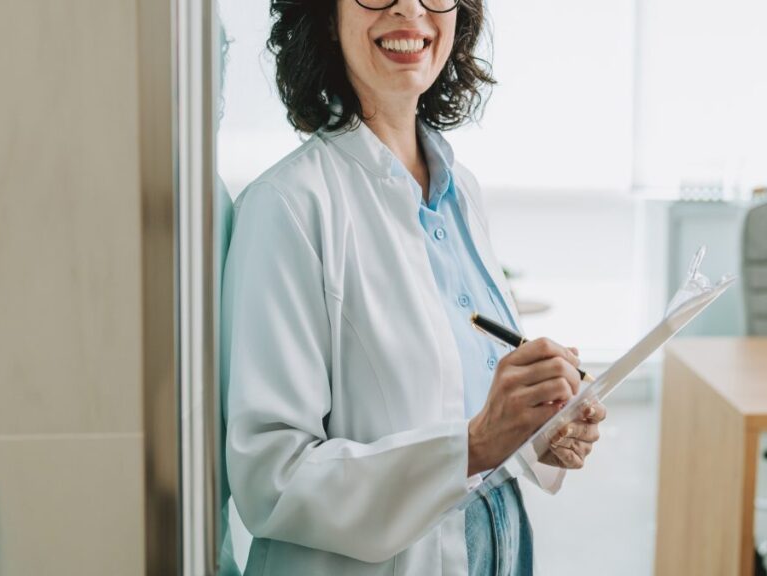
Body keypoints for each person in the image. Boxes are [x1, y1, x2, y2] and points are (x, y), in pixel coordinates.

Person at [221, 0, 606, 574]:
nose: (410, 8)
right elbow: (270, 479)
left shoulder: (460, 190)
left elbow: (458, 401)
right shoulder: (288, 206)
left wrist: (538, 426)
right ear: (326, 15)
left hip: (499, 540)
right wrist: (473, 445)